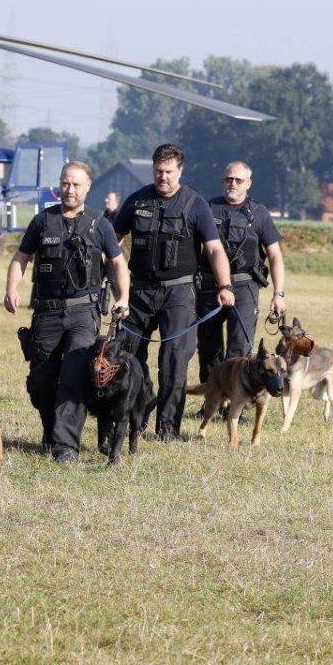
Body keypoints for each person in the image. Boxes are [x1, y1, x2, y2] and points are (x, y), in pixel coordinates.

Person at [4, 161, 130, 462]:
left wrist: (123, 296)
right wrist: (12, 288)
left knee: (73, 378)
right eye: (65, 183)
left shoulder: (100, 224)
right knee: (40, 382)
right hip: (47, 313)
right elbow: (21, 257)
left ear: (87, 188)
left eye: (76, 184)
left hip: (83, 313)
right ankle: (51, 431)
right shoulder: (42, 221)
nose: (69, 189)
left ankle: (65, 448)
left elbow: (117, 262)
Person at [112, 143, 234, 441]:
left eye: (168, 172)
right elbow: (112, 242)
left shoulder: (195, 204)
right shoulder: (137, 200)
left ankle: (168, 429)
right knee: (128, 358)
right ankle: (134, 418)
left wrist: (225, 286)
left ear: (179, 171)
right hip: (138, 291)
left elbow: (215, 249)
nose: (162, 177)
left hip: (178, 293)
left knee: (174, 362)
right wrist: (109, 282)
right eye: (158, 171)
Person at [196, 160, 286, 385]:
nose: (233, 183)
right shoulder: (207, 208)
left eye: (238, 180)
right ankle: (212, 399)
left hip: (245, 286)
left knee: (239, 347)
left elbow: (275, 255)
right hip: (209, 286)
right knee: (209, 348)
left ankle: (235, 401)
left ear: (249, 184)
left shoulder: (260, 214)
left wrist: (279, 293)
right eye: (228, 179)